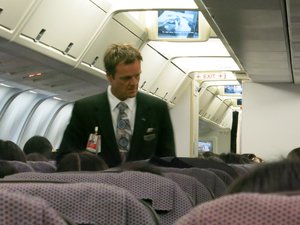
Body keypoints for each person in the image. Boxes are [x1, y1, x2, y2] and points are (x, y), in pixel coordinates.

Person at [58, 43, 176, 167]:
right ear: (109, 76)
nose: (134, 83)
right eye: (126, 78)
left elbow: (168, 159)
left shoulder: (157, 108)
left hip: (145, 183)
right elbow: (66, 157)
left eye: (137, 76)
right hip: (99, 183)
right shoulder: (85, 109)